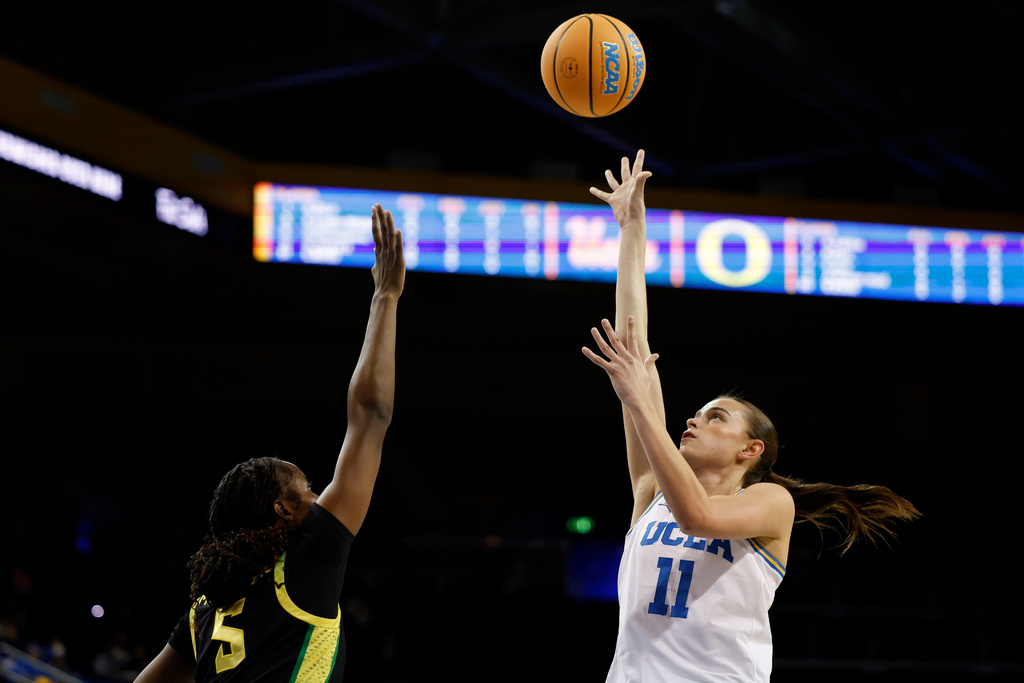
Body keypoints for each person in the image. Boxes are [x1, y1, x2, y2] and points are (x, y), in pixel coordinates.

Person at [582, 151, 920, 682]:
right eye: (694, 414)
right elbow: (634, 342)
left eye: (715, 417)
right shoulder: (651, 491)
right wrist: (632, 230)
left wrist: (638, 402)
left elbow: (698, 517)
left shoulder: (769, 502)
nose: (692, 421)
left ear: (751, 449)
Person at [135, 203, 405, 683]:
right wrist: (385, 296)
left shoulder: (207, 608)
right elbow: (370, 416)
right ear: (283, 510)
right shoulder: (308, 561)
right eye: (306, 487)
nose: (319, 496)